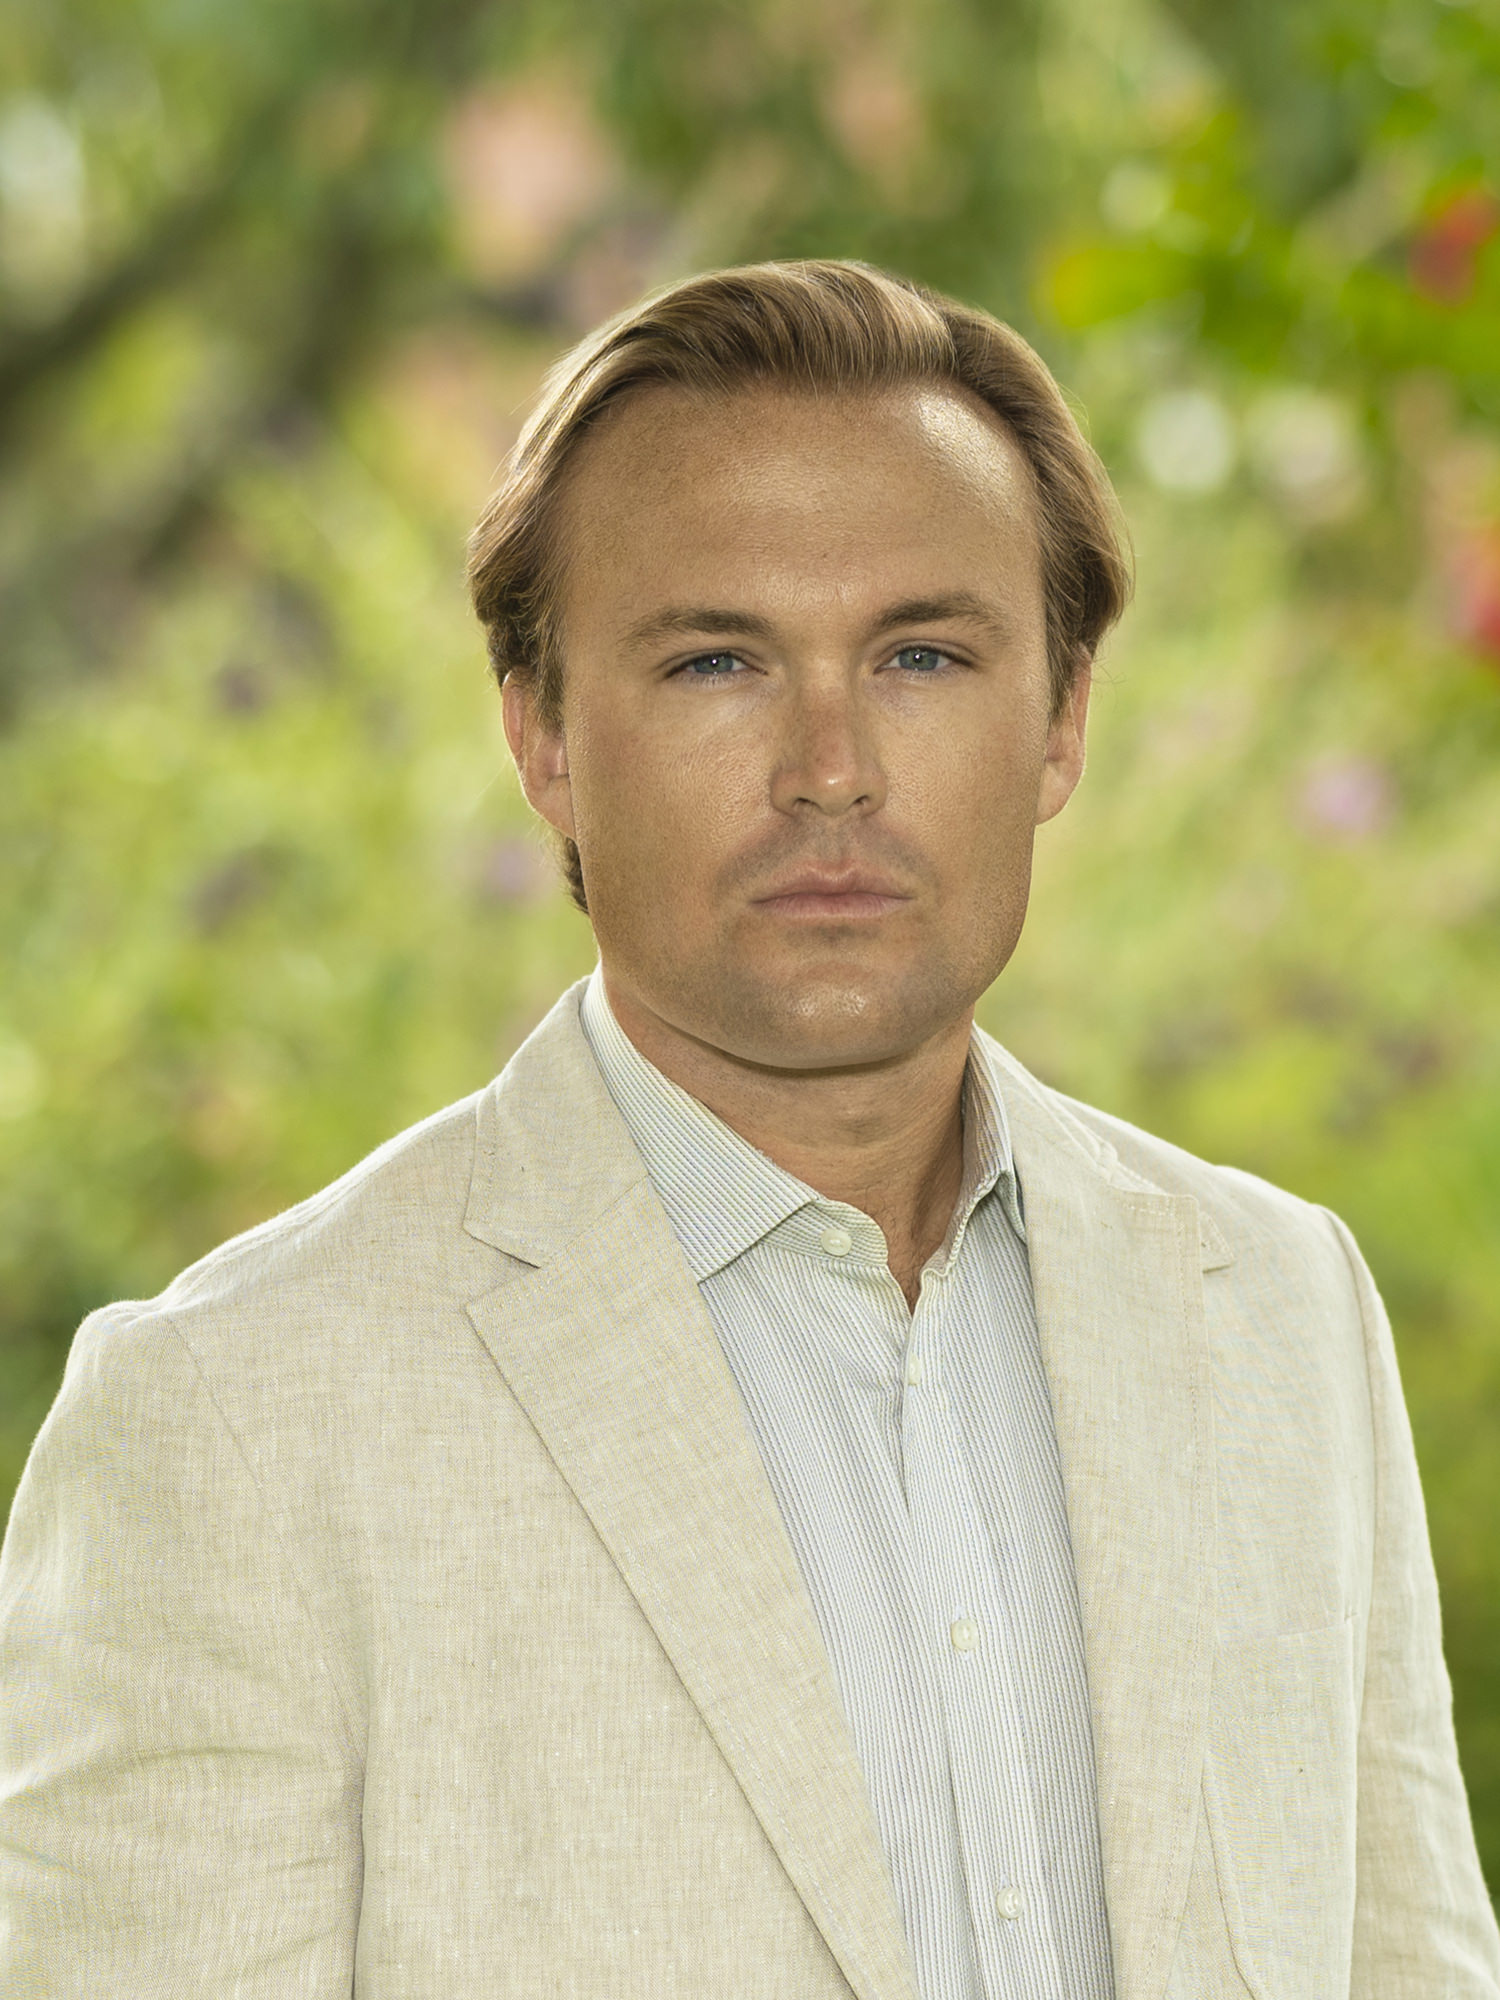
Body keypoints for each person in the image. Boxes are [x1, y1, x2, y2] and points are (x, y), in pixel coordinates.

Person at [0, 259, 1495, 2000]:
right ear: (545, 735)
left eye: (923, 655)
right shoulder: (235, 1418)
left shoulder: (1282, 1309)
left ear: (1063, 719)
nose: (831, 766)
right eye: (717, 660)